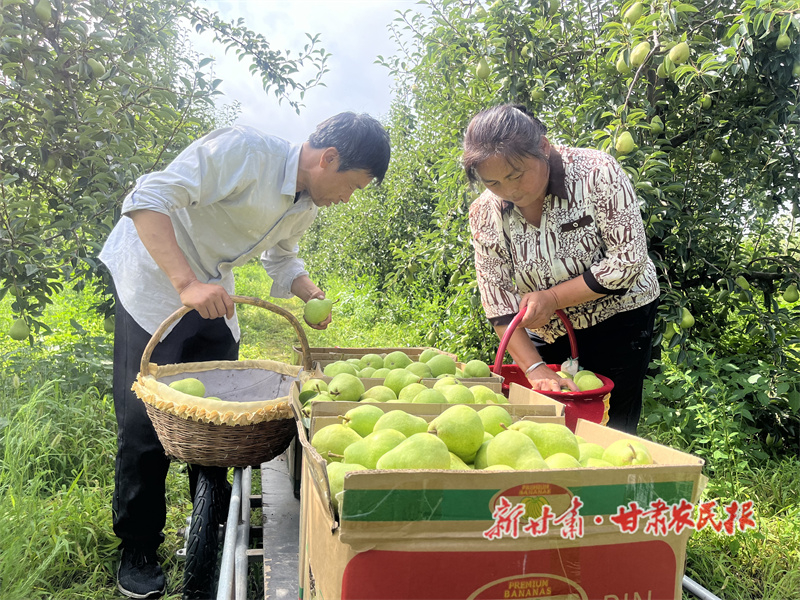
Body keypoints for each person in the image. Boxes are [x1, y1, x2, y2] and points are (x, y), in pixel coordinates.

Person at [99, 112, 390, 599]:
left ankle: (206, 522)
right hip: (154, 277)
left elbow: (281, 256)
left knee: (222, 413)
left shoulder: (305, 206)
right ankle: (139, 547)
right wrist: (185, 283)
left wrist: (305, 288)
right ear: (329, 158)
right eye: (353, 185)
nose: (348, 198)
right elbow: (147, 199)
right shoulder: (245, 152)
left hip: (213, 287)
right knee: (145, 420)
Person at [464, 104, 659, 436]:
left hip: (620, 317)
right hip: (547, 328)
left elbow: (627, 261)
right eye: (493, 182)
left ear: (543, 147)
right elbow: (497, 300)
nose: (509, 190)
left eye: (516, 174)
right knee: (546, 423)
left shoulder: (596, 173)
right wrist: (536, 368)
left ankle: (606, 483)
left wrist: (553, 297)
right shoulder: (485, 211)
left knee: (611, 424)